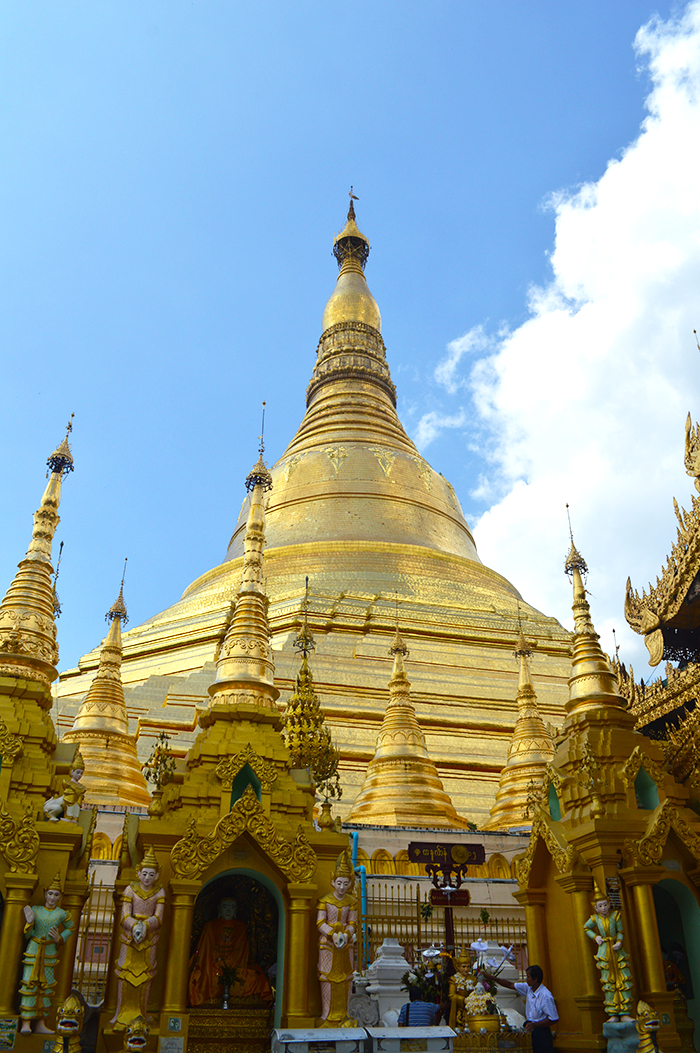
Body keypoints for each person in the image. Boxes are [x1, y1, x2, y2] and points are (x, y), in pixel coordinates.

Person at [111, 846, 166, 1028]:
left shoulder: (159, 892)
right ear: (138, 873)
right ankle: (119, 1012)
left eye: (151, 874)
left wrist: (145, 926)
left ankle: (142, 1012)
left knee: (146, 974)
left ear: (157, 876)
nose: (147, 878)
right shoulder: (130, 890)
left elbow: (159, 918)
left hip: (150, 938)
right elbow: (124, 915)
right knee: (124, 973)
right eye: (145, 873)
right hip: (129, 937)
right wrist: (135, 926)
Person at [188, 897, 272, 1006]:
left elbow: (242, 953)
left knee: (255, 978)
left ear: (236, 909)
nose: (228, 911)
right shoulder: (210, 926)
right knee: (203, 977)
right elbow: (205, 952)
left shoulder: (241, 927)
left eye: (232, 907)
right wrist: (218, 963)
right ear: (219, 909)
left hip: (236, 965)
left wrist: (230, 965)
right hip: (213, 964)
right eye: (225, 907)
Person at [19, 873, 73, 1034]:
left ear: (60, 896)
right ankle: (26, 1023)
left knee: (46, 987)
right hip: (34, 950)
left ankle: (41, 1022)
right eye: (50, 893)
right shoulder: (35, 910)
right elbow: (28, 935)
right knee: (29, 985)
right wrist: (29, 923)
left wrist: (60, 938)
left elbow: (72, 927)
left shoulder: (62, 914)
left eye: (56, 894)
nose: (52, 897)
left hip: (49, 951)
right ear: (44, 894)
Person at [317, 850, 357, 1026]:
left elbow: (353, 923)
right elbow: (319, 922)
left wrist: (346, 934)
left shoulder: (352, 902)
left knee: (347, 978)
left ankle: (344, 1014)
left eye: (346, 883)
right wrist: (332, 934)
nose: (342, 887)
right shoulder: (325, 901)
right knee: (326, 978)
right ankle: (326, 1014)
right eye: (339, 883)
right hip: (327, 945)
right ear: (332, 881)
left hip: (345, 945)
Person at [583, 887, 633, 1021]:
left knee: (622, 979)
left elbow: (621, 932)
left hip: (617, 950)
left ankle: (625, 1012)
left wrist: (619, 941)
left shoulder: (615, 916)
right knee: (608, 981)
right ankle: (613, 1013)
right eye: (600, 906)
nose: (604, 908)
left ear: (609, 904)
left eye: (605, 904)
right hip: (604, 950)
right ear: (596, 908)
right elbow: (586, 927)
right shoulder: (595, 919)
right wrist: (595, 937)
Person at [483, 965, 558, 1053]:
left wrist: (535, 1025)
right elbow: (510, 984)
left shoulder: (545, 996)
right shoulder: (528, 988)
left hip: (541, 1032)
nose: (526, 979)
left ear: (535, 979)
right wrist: (492, 978)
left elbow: (553, 1018)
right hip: (530, 1029)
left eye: (528, 977)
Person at [43, 751, 86, 822]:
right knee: (60, 807)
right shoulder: (68, 784)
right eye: (77, 772)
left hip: (71, 804)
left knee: (76, 804)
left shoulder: (80, 787)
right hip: (54, 807)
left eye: (81, 773)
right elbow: (69, 802)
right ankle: (59, 815)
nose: (79, 775)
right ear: (72, 772)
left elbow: (77, 803)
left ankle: (74, 817)